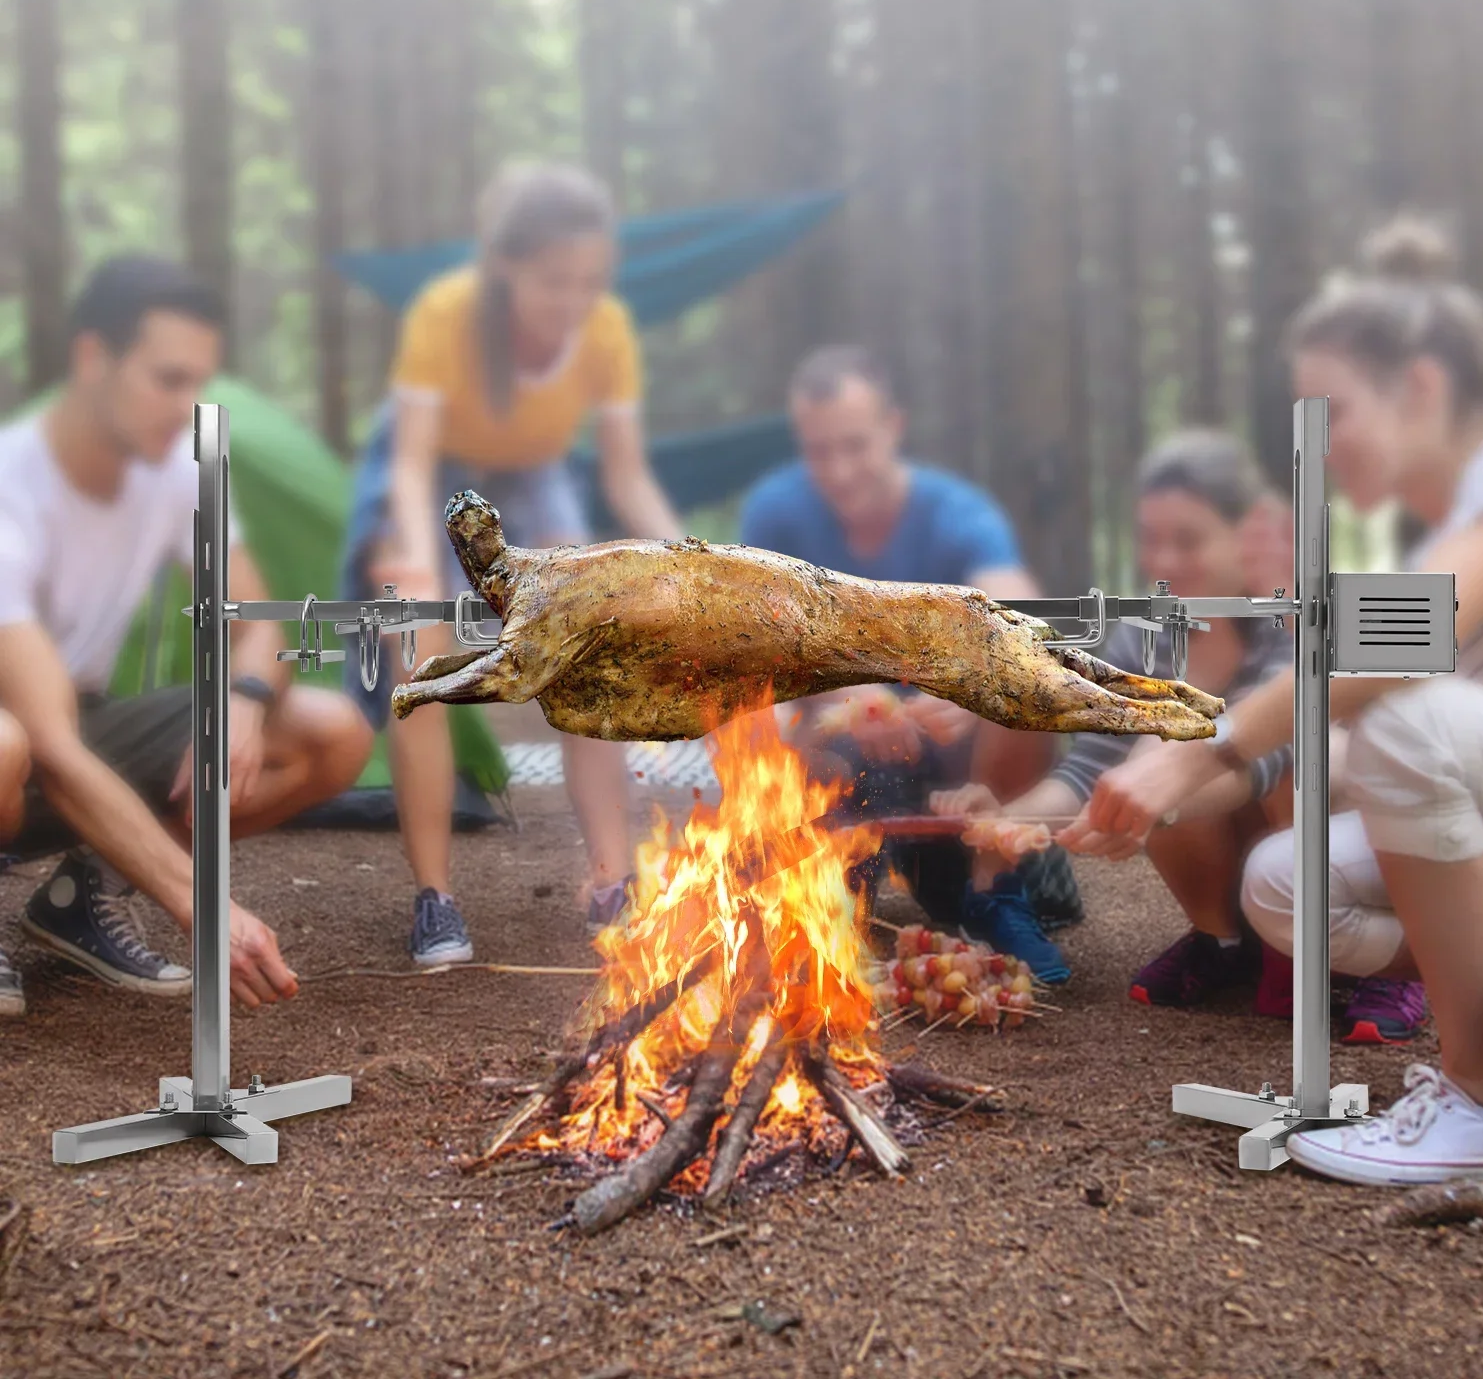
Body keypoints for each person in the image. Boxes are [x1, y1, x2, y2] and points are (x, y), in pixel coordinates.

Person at [1064, 216, 1483, 1187]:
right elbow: (1331, 717)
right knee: (1284, 878)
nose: (1314, 438)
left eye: (1331, 409)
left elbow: (1402, 636)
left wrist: (1210, 744)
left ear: (1423, 389)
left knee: (1403, 723)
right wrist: (1151, 788)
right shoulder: (1460, 519)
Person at [0, 256, 373, 1019]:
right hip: (22, 738)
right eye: (167, 380)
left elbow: (257, 609)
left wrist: (242, 700)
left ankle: (84, 895)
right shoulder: (13, 485)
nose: (188, 405)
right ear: (92, 359)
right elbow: (52, 748)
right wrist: (201, 906)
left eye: (199, 383)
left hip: (82, 720)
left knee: (329, 733)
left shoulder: (172, 469)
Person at [344, 162, 683, 965]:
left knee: (590, 649)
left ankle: (611, 878)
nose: (574, 301)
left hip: (532, 478)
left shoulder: (606, 331)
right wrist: (420, 572)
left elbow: (627, 475)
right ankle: (436, 900)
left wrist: (694, 565)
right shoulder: (445, 313)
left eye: (590, 282)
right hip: (426, 474)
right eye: (553, 281)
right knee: (420, 657)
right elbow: (414, 464)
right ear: (505, 266)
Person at [932, 431, 1306, 1012]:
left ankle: (1319, 956)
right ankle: (1222, 942)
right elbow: (1094, 764)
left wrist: (1162, 787)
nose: (1163, 562)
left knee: (1298, 754)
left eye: (1189, 540)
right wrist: (1009, 821)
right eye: (1151, 541)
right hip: (1217, 824)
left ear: (1248, 534)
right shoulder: (1149, 636)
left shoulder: (1291, 618)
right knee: (1152, 749)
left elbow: (1274, 757)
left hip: (1305, 834)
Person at [739, 345, 1070, 981]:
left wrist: (973, 688)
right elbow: (753, 649)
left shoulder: (956, 513)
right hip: (838, 751)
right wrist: (841, 704)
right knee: (743, 702)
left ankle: (992, 889)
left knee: (1024, 679)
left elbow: (1025, 612)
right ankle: (806, 883)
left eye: (855, 445)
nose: (837, 471)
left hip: (957, 762)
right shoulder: (775, 512)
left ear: (894, 427)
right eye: (818, 450)